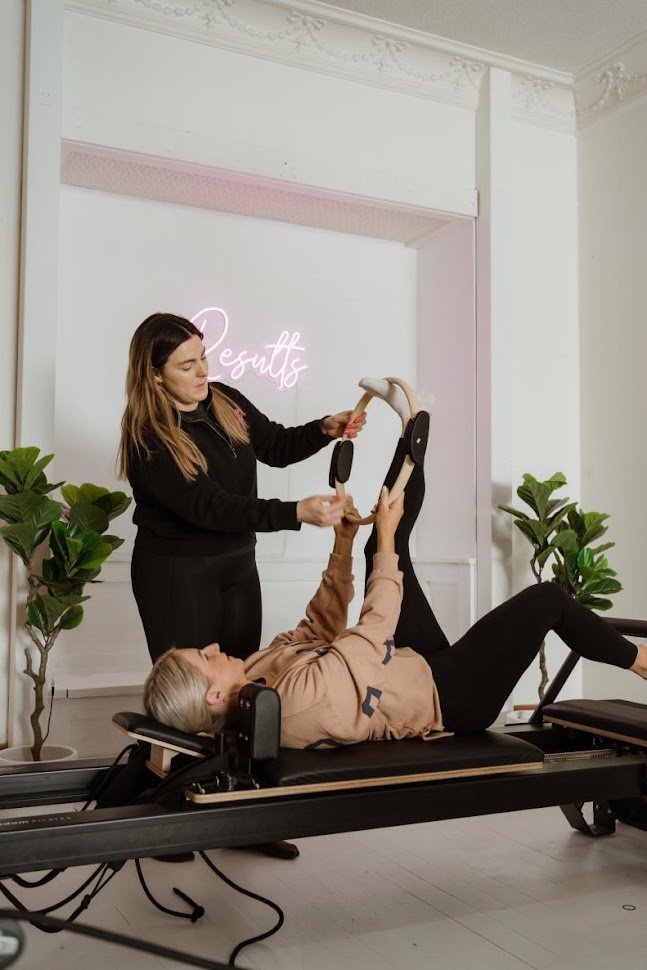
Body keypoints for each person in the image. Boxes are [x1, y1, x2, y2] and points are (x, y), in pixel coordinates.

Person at [144, 396, 647, 748]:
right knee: (545, 600)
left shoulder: (253, 682)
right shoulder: (291, 706)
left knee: (386, 551)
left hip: (409, 666)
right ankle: (641, 661)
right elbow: (370, 634)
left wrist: (343, 546)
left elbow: (315, 631)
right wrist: (380, 539)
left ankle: (410, 435)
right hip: (449, 696)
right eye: (206, 657)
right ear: (214, 694)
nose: (212, 646)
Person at [118, 312, 366, 665]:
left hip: (238, 564)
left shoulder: (225, 399)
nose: (203, 370)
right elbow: (211, 506)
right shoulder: (148, 436)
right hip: (178, 574)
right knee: (194, 695)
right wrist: (295, 511)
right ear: (155, 375)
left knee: (239, 678)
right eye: (187, 366)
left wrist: (323, 429)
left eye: (203, 356)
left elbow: (276, 446)